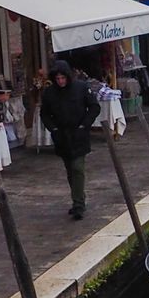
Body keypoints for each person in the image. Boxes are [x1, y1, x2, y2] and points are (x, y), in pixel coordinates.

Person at [40, 57, 101, 220]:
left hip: (78, 133)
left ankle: (78, 204)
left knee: (77, 168)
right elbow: (44, 114)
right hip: (62, 136)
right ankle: (78, 198)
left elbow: (94, 107)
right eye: (57, 79)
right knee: (70, 170)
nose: (60, 81)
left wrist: (85, 125)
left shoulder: (81, 88)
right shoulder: (50, 93)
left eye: (63, 78)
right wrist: (53, 129)